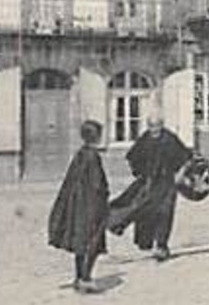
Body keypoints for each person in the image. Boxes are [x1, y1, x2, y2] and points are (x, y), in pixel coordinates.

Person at [112, 115, 193, 261]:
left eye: (156, 126)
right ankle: (142, 239)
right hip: (149, 181)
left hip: (167, 181)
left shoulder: (170, 139)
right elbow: (132, 156)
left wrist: (180, 173)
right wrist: (139, 171)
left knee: (165, 212)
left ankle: (161, 246)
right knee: (143, 208)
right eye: (151, 126)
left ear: (161, 125)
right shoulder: (145, 139)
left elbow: (186, 157)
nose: (154, 130)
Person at [47, 119, 110, 293]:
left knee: (80, 243)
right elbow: (98, 185)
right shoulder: (93, 156)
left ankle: (78, 277)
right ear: (96, 137)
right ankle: (86, 278)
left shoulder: (80, 154)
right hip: (91, 206)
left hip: (78, 205)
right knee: (93, 242)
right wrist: (104, 202)